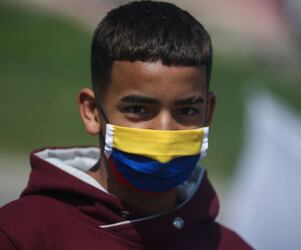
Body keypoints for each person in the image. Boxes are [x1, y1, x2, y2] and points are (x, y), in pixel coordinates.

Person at [0, 1, 252, 249]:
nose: (164, 131)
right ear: (92, 112)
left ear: (208, 112)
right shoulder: (20, 234)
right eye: (138, 109)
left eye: (186, 110)